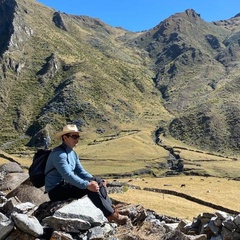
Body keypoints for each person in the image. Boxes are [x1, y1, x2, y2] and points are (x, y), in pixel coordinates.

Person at [44, 124, 128, 225]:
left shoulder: (72, 153)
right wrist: (87, 185)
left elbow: (81, 172)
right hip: (56, 191)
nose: (77, 140)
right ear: (65, 137)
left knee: (97, 181)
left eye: (78, 137)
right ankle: (112, 215)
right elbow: (67, 175)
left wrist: (98, 180)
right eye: (74, 137)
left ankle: (110, 209)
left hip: (66, 186)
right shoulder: (58, 154)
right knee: (90, 186)